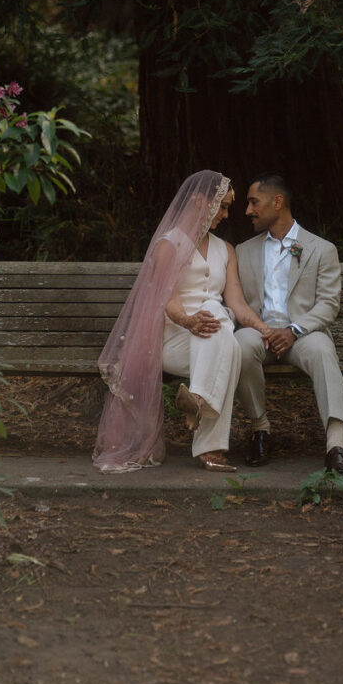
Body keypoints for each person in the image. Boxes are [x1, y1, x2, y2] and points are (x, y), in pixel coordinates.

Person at [93, 170, 269, 474]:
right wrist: (188, 321)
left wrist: (265, 330)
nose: (227, 215)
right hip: (173, 339)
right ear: (201, 201)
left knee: (219, 323)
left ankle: (198, 398)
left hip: (210, 338)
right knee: (224, 334)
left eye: (228, 207)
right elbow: (167, 301)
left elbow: (237, 303)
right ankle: (209, 444)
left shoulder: (225, 250)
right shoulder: (169, 245)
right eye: (223, 206)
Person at [234, 173, 343, 479]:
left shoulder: (320, 249)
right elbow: (237, 302)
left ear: (278, 202)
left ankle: (335, 446)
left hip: (302, 333)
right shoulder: (242, 251)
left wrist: (294, 330)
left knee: (323, 350)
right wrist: (263, 329)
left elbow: (328, 304)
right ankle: (260, 430)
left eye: (253, 202)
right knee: (241, 345)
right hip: (259, 332)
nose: (248, 210)